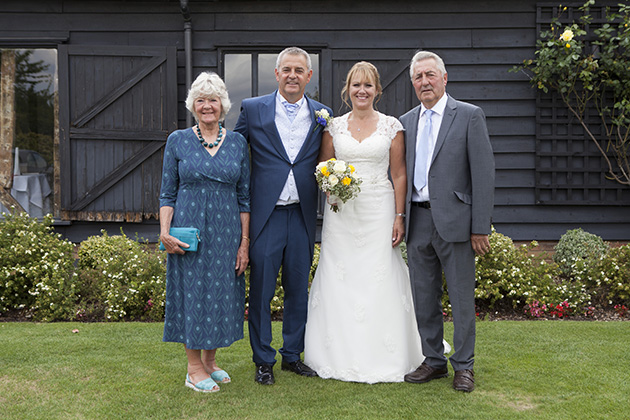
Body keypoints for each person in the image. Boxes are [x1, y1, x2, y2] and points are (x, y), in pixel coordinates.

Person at [303, 61, 425, 383]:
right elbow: (323, 168)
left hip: (378, 211)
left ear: (377, 90)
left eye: (368, 85)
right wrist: (330, 189)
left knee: (378, 277)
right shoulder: (334, 127)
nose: (362, 90)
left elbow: (399, 174)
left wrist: (399, 216)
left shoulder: (391, 127)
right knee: (340, 277)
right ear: (348, 89)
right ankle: (335, 353)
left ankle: (385, 353)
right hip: (342, 215)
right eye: (356, 85)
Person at [234, 47, 332, 385]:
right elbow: (234, 152)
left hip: (302, 215)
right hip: (266, 216)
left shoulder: (323, 114)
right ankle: (263, 359)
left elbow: (329, 160)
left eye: (299, 70)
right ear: (276, 74)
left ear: (309, 76)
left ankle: (292, 355)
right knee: (260, 291)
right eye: (286, 69)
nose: (292, 75)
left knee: (297, 290)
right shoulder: (252, 108)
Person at [400, 51, 495, 392]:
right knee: (424, 297)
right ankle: (434, 361)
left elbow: (483, 174)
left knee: (460, 298)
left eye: (430, 75)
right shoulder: (406, 121)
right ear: (413, 84)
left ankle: (464, 366)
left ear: (444, 78)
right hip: (418, 220)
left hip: (457, 222)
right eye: (418, 78)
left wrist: (480, 226)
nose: (424, 82)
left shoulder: (468, 116)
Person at [159, 72, 251, 393]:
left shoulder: (238, 143)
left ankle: (210, 362)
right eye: (201, 100)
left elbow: (245, 198)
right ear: (193, 105)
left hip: (227, 233)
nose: (207, 106)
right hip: (189, 232)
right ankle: (193, 368)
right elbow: (167, 193)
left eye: (213, 100)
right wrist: (164, 233)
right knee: (192, 294)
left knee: (221, 295)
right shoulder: (178, 141)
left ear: (223, 105)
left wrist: (244, 243)